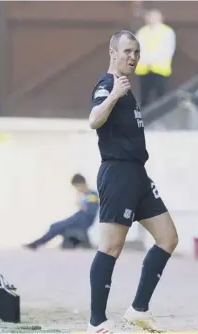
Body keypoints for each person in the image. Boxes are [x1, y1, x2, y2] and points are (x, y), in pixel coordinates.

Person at [87, 30, 178, 333]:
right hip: (118, 174)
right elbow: (93, 120)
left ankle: (139, 309)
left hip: (138, 174)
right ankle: (96, 321)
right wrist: (114, 94)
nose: (133, 57)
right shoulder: (107, 84)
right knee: (111, 247)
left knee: (167, 238)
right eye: (127, 51)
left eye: (137, 52)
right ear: (113, 52)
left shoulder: (128, 86)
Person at [23, 174, 98, 250]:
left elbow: (90, 212)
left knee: (56, 226)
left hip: (82, 220)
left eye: (77, 186)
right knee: (54, 226)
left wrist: (81, 205)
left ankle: (36, 244)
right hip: (78, 218)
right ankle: (37, 243)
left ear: (82, 184)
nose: (77, 189)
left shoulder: (91, 195)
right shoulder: (85, 195)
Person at [135, 9, 176, 108]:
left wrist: (153, 59)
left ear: (161, 18)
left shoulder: (167, 31)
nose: (151, 19)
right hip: (144, 69)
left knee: (161, 97)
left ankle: (162, 118)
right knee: (144, 98)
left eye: (154, 16)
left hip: (160, 69)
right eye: (149, 17)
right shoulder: (142, 31)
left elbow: (168, 49)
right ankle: (145, 119)